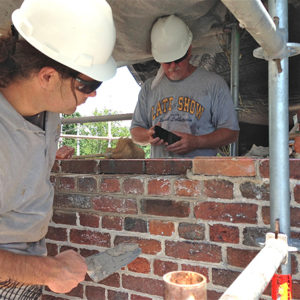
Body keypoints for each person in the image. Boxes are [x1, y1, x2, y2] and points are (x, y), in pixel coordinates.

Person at [0, 0, 116, 298]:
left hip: (28, 265)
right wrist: (51, 271)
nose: (92, 95)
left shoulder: (50, 113)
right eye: (87, 84)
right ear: (48, 77)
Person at [130, 15, 239, 158]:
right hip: (161, 176)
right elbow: (135, 133)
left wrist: (197, 142)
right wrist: (148, 135)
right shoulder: (149, 88)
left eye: (178, 59)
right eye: (167, 62)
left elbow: (231, 133)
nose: (173, 67)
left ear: (188, 51)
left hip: (200, 175)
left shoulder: (213, 84)